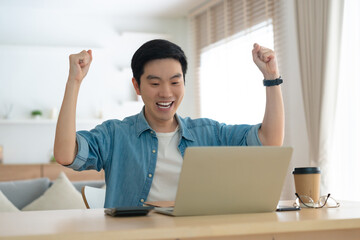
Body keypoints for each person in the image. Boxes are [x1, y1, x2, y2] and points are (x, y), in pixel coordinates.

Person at [54, 39, 284, 207]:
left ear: (184, 82)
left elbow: (269, 142)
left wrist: (271, 78)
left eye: (175, 82)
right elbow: (66, 155)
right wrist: (74, 81)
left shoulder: (209, 133)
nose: (166, 93)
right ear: (137, 86)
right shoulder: (115, 134)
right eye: (154, 84)